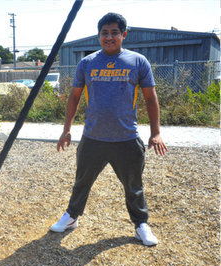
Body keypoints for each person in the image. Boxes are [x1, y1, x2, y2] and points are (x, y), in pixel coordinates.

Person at [49, 12, 168, 246]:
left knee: (134, 185)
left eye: (115, 32)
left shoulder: (138, 62)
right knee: (82, 182)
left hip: (127, 138)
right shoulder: (87, 63)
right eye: (105, 33)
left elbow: (151, 99)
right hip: (93, 138)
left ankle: (141, 224)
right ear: (98, 36)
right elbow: (73, 98)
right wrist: (66, 129)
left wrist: (155, 132)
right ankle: (72, 216)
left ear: (123, 35)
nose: (109, 37)